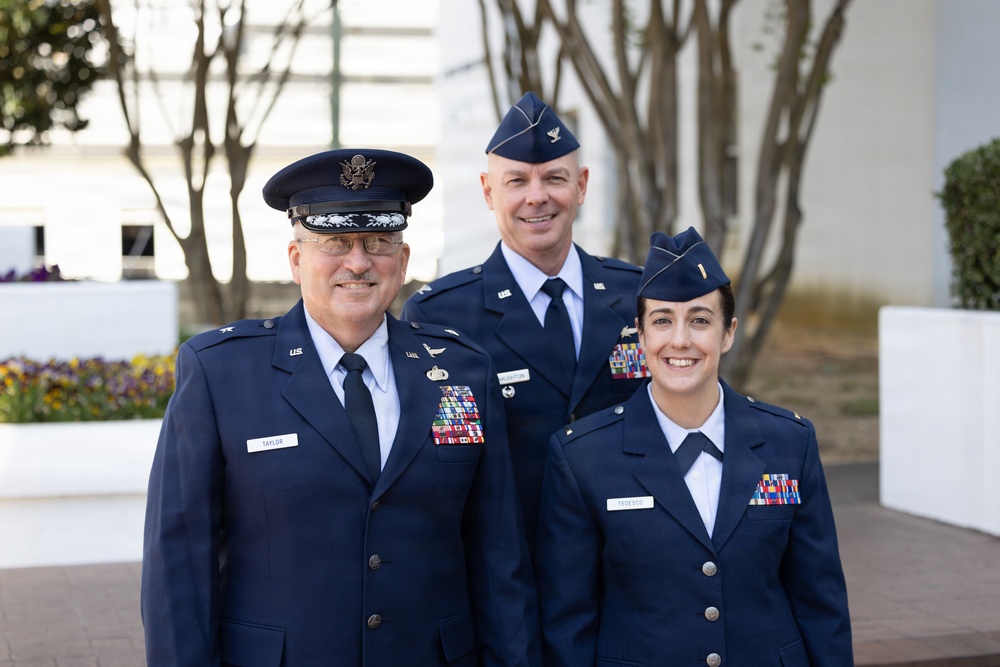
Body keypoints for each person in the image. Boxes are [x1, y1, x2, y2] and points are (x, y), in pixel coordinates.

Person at [141, 148, 540, 666]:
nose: (358, 262)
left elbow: (498, 556)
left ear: (403, 259)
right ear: (296, 259)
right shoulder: (221, 373)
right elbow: (178, 565)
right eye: (335, 242)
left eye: (378, 241)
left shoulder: (464, 372)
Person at [534, 228, 853, 666]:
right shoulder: (583, 458)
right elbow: (568, 622)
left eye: (700, 320)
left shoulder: (789, 444)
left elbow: (821, 601)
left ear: (728, 333)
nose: (680, 340)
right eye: (662, 320)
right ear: (641, 337)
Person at [402, 92, 646, 551]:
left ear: (582, 185)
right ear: (488, 191)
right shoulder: (441, 316)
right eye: (516, 181)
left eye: (555, 177)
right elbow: (447, 467)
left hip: (629, 561)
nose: (537, 197)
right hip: (511, 563)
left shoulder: (639, 298)